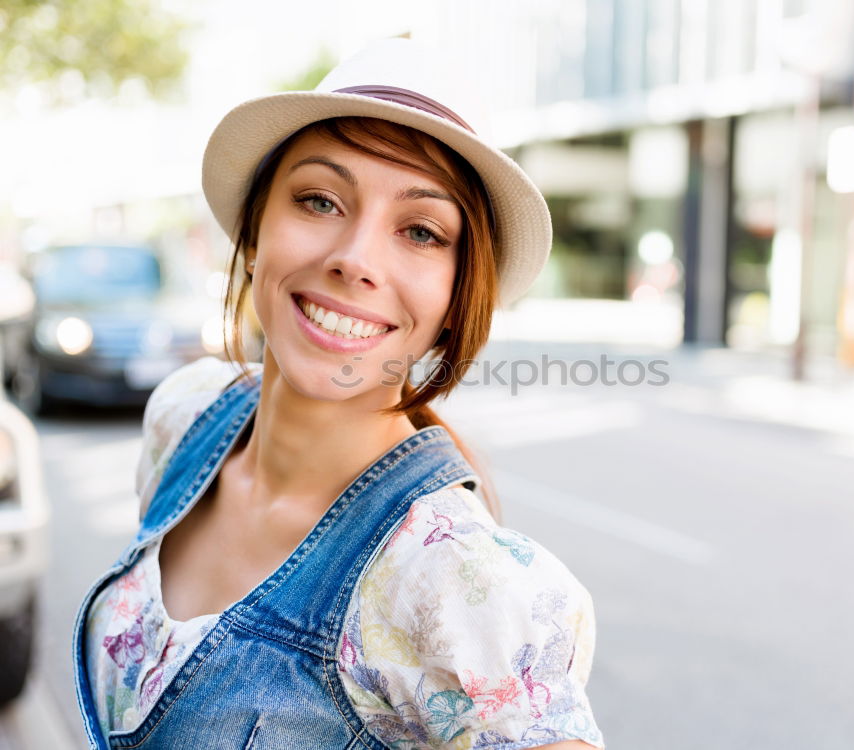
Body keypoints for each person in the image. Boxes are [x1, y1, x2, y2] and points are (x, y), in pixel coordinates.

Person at [72, 38, 604, 750]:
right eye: (319, 200)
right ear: (257, 229)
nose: (354, 259)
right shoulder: (188, 416)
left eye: (421, 231)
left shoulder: (457, 580)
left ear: (456, 297)